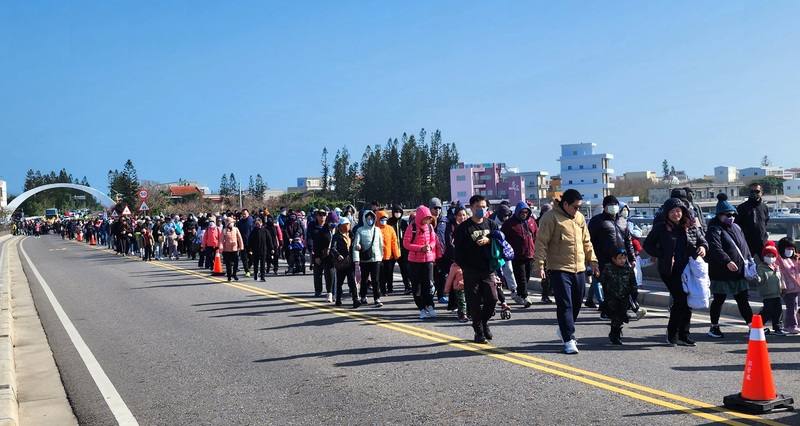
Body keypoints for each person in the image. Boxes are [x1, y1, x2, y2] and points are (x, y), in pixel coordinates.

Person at [533, 189, 598, 354]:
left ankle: (564, 329)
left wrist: (593, 261)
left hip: (579, 268)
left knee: (577, 303)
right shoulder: (550, 218)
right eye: (575, 207)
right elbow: (541, 243)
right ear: (566, 204)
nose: (578, 210)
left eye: (580, 207)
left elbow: (587, 241)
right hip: (559, 268)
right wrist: (540, 265)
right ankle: (569, 338)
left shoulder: (580, 218)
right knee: (565, 304)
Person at [644, 197, 708, 347]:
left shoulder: (690, 226)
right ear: (667, 213)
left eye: (678, 211)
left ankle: (684, 335)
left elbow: (703, 241)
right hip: (670, 270)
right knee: (680, 300)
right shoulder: (661, 227)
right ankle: (672, 334)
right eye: (672, 211)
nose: (676, 214)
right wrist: (663, 255)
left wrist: (703, 248)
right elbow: (648, 245)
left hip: (689, 269)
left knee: (687, 302)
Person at [706, 193, 753, 339]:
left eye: (733, 214)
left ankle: (752, 326)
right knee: (719, 299)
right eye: (727, 214)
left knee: (743, 299)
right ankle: (714, 327)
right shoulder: (714, 229)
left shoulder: (736, 227)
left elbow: (744, 245)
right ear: (719, 215)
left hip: (738, 271)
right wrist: (727, 261)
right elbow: (715, 248)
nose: (730, 217)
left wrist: (750, 258)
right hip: (721, 272)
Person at [454, 195, 499, 344]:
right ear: (471, 208)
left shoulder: (491, 224)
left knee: (492, 298)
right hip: (471, 270)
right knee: (473, 302)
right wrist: (464, 268)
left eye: (484, 206)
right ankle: (478, 331)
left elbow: (500, 241)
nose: (481, 209)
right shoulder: (463, 228)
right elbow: (458, 251)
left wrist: (489, 239)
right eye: (478, 207)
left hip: (488, 269)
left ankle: (484, 322)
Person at [588, 196, 635, 311]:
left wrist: (632, 258)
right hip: (604, 259)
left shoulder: (623, 221)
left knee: (623, 286)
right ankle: (608, 310)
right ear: (604, 207)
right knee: (609, 287)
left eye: (615, 205)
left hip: (621, 259)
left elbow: (628, 241)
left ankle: (621, 310)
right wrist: (592, 260)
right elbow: (588, 241)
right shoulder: (597, 221)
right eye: (610, 205)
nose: (614, 208)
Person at [405, 205, 439, 320]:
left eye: (429, 218)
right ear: (420, 217)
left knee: (429, 285)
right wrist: (420, 248)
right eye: (426, 218)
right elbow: (406, 244)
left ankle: (430, 305)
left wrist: (430, 246)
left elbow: (434, 240)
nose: (428, 220)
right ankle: (421, 308)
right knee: (417, 287)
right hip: (414, 261)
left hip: (428, 260)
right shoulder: (412, 227)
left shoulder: (430, 227)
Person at [502, 201, 539, 308]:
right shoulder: (509, 223)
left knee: (527, 276)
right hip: (517, 256)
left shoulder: (532, 222)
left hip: (530, 254)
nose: (524, 214)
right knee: (521, 277)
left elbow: (536, 235)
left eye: (526, 212)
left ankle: (520, 293)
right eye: (522, 212)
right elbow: (504, 239)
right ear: (517, 212)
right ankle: (525, 296)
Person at [599, 249, 638, 345]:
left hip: (624, 297)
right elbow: (602, 281)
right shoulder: (608, 268)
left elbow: (633, 284)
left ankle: (615, 333)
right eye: (620, 258)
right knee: (616, 317)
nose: (622, 260)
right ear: (614, 259)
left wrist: (634, 297)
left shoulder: (628, 270)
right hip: (612, 298)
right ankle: (615, 336)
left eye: (624, 258)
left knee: (621, 317)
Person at [352, 210, 385, 307]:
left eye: (372, 218)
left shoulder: (377, 230)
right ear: (364, 219)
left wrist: (381, 257)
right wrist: (356, 260)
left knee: (376, 280)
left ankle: (377, 298)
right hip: (365, 259)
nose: (370, 220)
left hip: (376, 259)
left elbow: (380, 245)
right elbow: (355, 246)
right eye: (368, 218)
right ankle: (363, 296)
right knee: (365, 280)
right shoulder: (360, 230)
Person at [755, 242, 785, 335]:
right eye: (768, 255)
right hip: (767, 294)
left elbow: (780, 278)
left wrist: (783, 288)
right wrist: (758, 279)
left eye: (772, 255)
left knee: (778, 311)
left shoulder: (776, 267)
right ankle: (757, 326)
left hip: (777, 293)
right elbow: (760, 278)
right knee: (767, 311)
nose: (770, 257)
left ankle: (778, 328)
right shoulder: (761, 267)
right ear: (764, 256)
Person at [736, 182, 770, 260]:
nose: (754, 193)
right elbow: (737, 225)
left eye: (757, 191)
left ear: (762, 193)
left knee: (765, 265)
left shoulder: (765, 207)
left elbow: (766, 222)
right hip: (747, 243)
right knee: (745, 266)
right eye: (752, 191)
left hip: (762, 242)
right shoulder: (741, 207)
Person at [331, 217, 359, 308]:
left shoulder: (352, 235)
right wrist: (338, 255)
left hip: (350, 262)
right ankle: (338, 299)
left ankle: (355, 300)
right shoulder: (336, 236)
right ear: (340, 226)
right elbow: (333, 248)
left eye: (348, 224)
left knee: (352, 282)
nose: (346, 226)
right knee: (339, 283)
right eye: (344, 225)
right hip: (341, 263)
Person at [776, 238, 800, 335]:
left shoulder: (795, 259)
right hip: (787, 288)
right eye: (788, 248)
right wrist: (782, 286)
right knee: (791, 307)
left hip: (796, 287)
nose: (790, 251)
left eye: (792, 248)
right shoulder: (778, 260)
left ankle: (788, 325)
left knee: (794, 306)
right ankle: (792, 326)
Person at [309, 209, 335, 300]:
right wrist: (315, 256)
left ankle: (332, 291)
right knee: (317, 273)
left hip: (329, 255)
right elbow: (311, 240)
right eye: (320, 214)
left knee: (330, 274)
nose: (322, 216)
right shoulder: (312, 226)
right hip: (317, 252)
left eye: (324, 214)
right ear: (316, 216)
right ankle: (318, 290)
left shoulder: (330, 226)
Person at [429, 197, 450, 304]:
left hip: (443, 253)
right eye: (435, 208)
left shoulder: (445, 221)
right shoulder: (427, 221)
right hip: (430, 253)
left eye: (439, 208)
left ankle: (441, 295)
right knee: (432, 277)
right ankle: (430, 296)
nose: (437, 210)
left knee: (442, 275)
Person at [377, 210, 401, 296]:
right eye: (382, 219)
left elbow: (394, 242)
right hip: (379, 257)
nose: (384, 221)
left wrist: (397, 254)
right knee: (381, 275)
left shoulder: (390, 229)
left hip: (389, 256)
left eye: (385, 219)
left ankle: (390, 288)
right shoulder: (376, 229)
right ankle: (383, 290)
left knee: (389, 273)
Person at [237, 209, 254, 278]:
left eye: (245, 214)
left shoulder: (252, 221)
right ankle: (247, 271)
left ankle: (249, 267)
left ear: (248, 214)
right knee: (244, 258)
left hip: (251, 243)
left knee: (251, 258)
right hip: (242, 243)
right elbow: (237, 233)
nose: (244, 215)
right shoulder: (239, 222)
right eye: (243, 214)